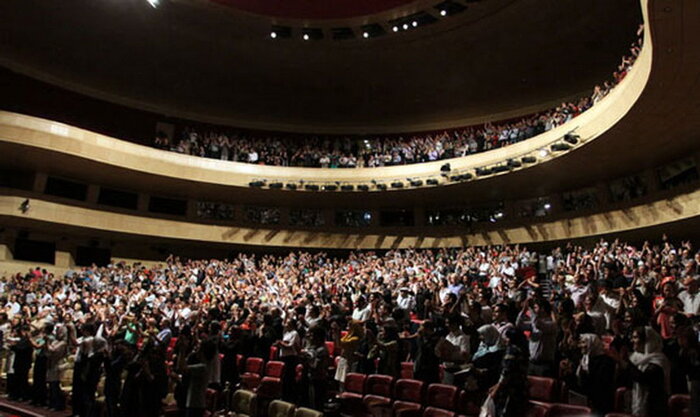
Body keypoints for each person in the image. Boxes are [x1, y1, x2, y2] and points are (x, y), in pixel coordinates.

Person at [625, 326, 670, 417]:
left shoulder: (658, 360)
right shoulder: (635, 357)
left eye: (636, 337)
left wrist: (625, 363)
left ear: (647, 341)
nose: (632, 341)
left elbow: (643, 379)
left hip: (653, 408)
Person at [488, 328, 529, 417]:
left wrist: (496, 389)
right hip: (520, 389)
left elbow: (506, 372)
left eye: (506, 337)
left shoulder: (512, 351)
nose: (504, 339)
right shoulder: (522, 350)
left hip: (511, 391)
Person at [577, 333, 616, 415]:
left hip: (601, 403)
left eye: (584, 343)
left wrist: (585, 374)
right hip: (587, 400)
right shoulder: (585, 360)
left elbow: (600, 385)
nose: (580, 345)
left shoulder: (605, 362)